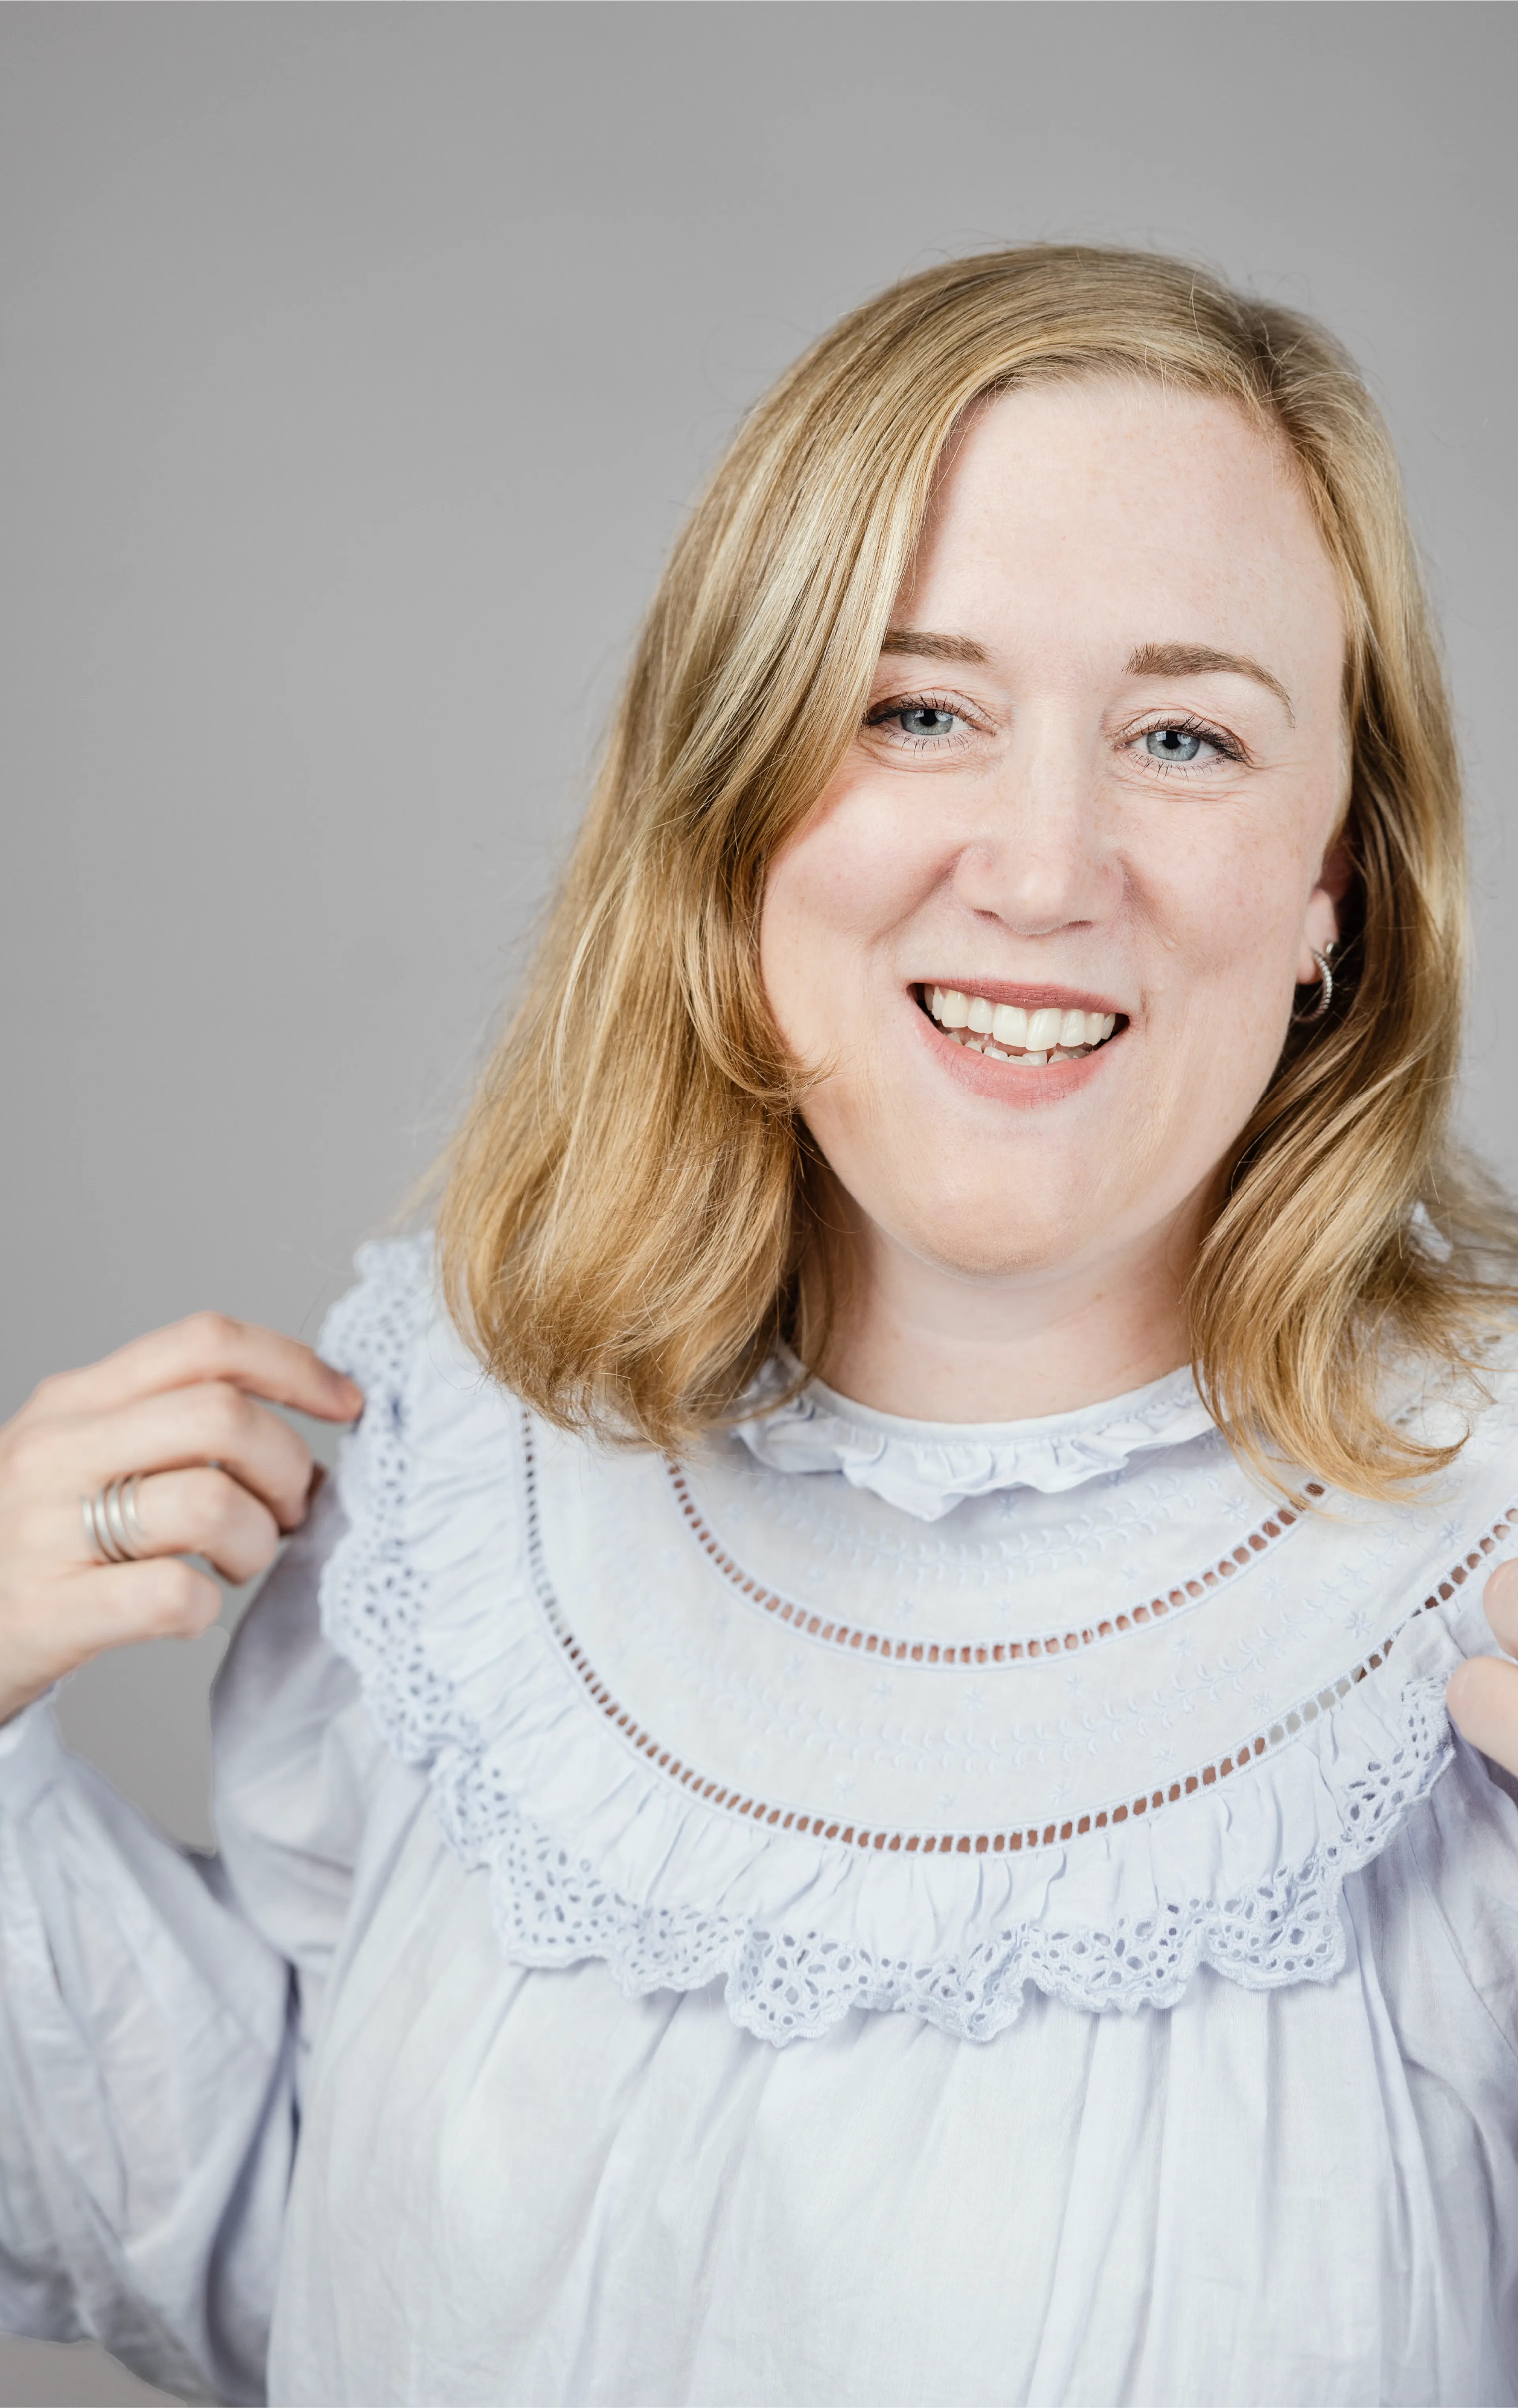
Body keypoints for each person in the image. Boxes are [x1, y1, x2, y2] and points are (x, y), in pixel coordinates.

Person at [3, 243, 1518, 2408]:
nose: (1043, 863)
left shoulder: (1486, 1577)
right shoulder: (472, 1471)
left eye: (1186, 735)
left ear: (1331, 892)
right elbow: (316, 2265)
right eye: (919, 708)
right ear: (731, 821)